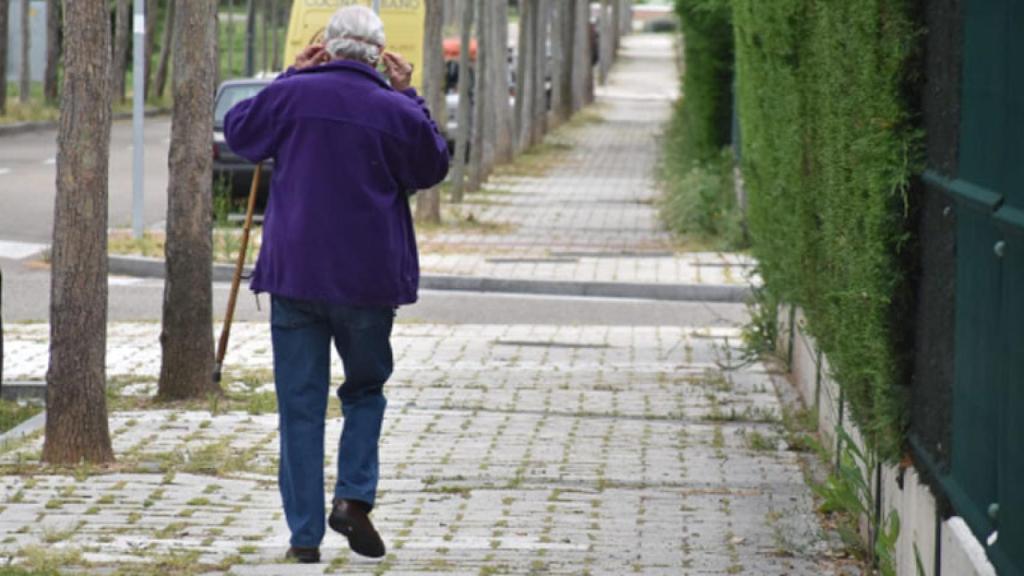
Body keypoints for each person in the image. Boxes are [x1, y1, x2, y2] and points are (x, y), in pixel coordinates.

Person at [223, 6, 450, 564]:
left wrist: (289, 76)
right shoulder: (393, 108)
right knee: (366, 390)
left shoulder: (294, 95)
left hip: (296, 276)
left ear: (324, 48)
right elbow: (431, 165)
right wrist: (409, 94)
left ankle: (304, 536)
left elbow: (241, 133)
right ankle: (351, 497)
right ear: (378, 54)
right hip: (367, 280)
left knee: (299, 406)